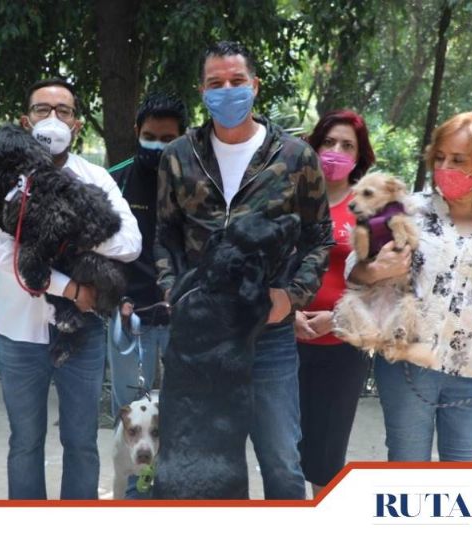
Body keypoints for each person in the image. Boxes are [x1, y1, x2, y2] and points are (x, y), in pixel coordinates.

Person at [155, 41, 332, 500]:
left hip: (267, 333)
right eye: (216, 84)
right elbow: (165, 236)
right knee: (200, 461)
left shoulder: (294, 157)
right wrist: (175, 292)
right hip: (200, 340)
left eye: (236, 82)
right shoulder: (178, 155)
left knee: (281, 463)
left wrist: (290, 297)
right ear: (202, 91)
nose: (227, 91)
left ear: (254, 86)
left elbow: (319, 238)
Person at [0, 78, 140, 499]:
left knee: (82, 443)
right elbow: (9, 260)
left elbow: (129, 243)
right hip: (21, 334)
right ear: (24, 119)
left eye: (63, 111)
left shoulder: (96, 178)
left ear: (78, 124)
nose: (52, 119)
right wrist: (73, 290)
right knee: (25, 444)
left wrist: (65, 222)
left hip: (83, 335)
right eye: (41, 110)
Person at [347, 111, 472, 461]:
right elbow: (353, 272)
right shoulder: (410, 209)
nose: (444, 167)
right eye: (439, 157)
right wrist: (374, 269)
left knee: (463, 480)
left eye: (458, 160)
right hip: (407, 367)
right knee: (408, 475)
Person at [296, 109, 376, 497]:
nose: (336, 151)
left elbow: (379, 284)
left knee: (326, 460)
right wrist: (288, 314)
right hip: (285, 342)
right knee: (284, 453)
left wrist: (336, 317)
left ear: (359, 156)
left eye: (347, 145)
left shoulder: (369, 210)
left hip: (342, 347)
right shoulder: (290, 200)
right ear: (314, 146)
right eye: (328, 142)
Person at [106, 93, 186, 416]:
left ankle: (175, 470)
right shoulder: (114, 181)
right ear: (136, 129)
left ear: (183, 136)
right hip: (129, 317)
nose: (157, 145)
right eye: (149, 137)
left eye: (168, 139)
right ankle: (130, 471)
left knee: (184, 410)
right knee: (129, 413)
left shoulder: (196, 182)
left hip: (182, 318)